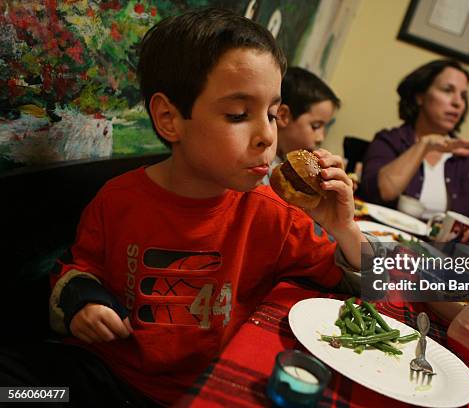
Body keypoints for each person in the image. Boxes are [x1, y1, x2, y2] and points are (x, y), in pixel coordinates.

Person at [0, 8, 366, 407]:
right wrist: (82, 302)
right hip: (100, 375)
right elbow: (78, 267)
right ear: (169, 118)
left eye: (273, 114)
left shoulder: (273, 214)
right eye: (239, 114)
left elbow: (373, 284)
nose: (266, 136)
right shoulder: (118, 198)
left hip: (196, 391)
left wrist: (344, 227)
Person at [359, 59, 469, 222]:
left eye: (463, 96)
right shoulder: (390, 140)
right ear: (420, 96)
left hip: (436, 248)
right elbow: (382, 192)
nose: (457, 102)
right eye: (448, 90)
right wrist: (424, 144)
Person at [262, 66, 340, 185]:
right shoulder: (259, 171)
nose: (321, 138)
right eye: (315, 126)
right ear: (283, 116)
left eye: (326, 127)